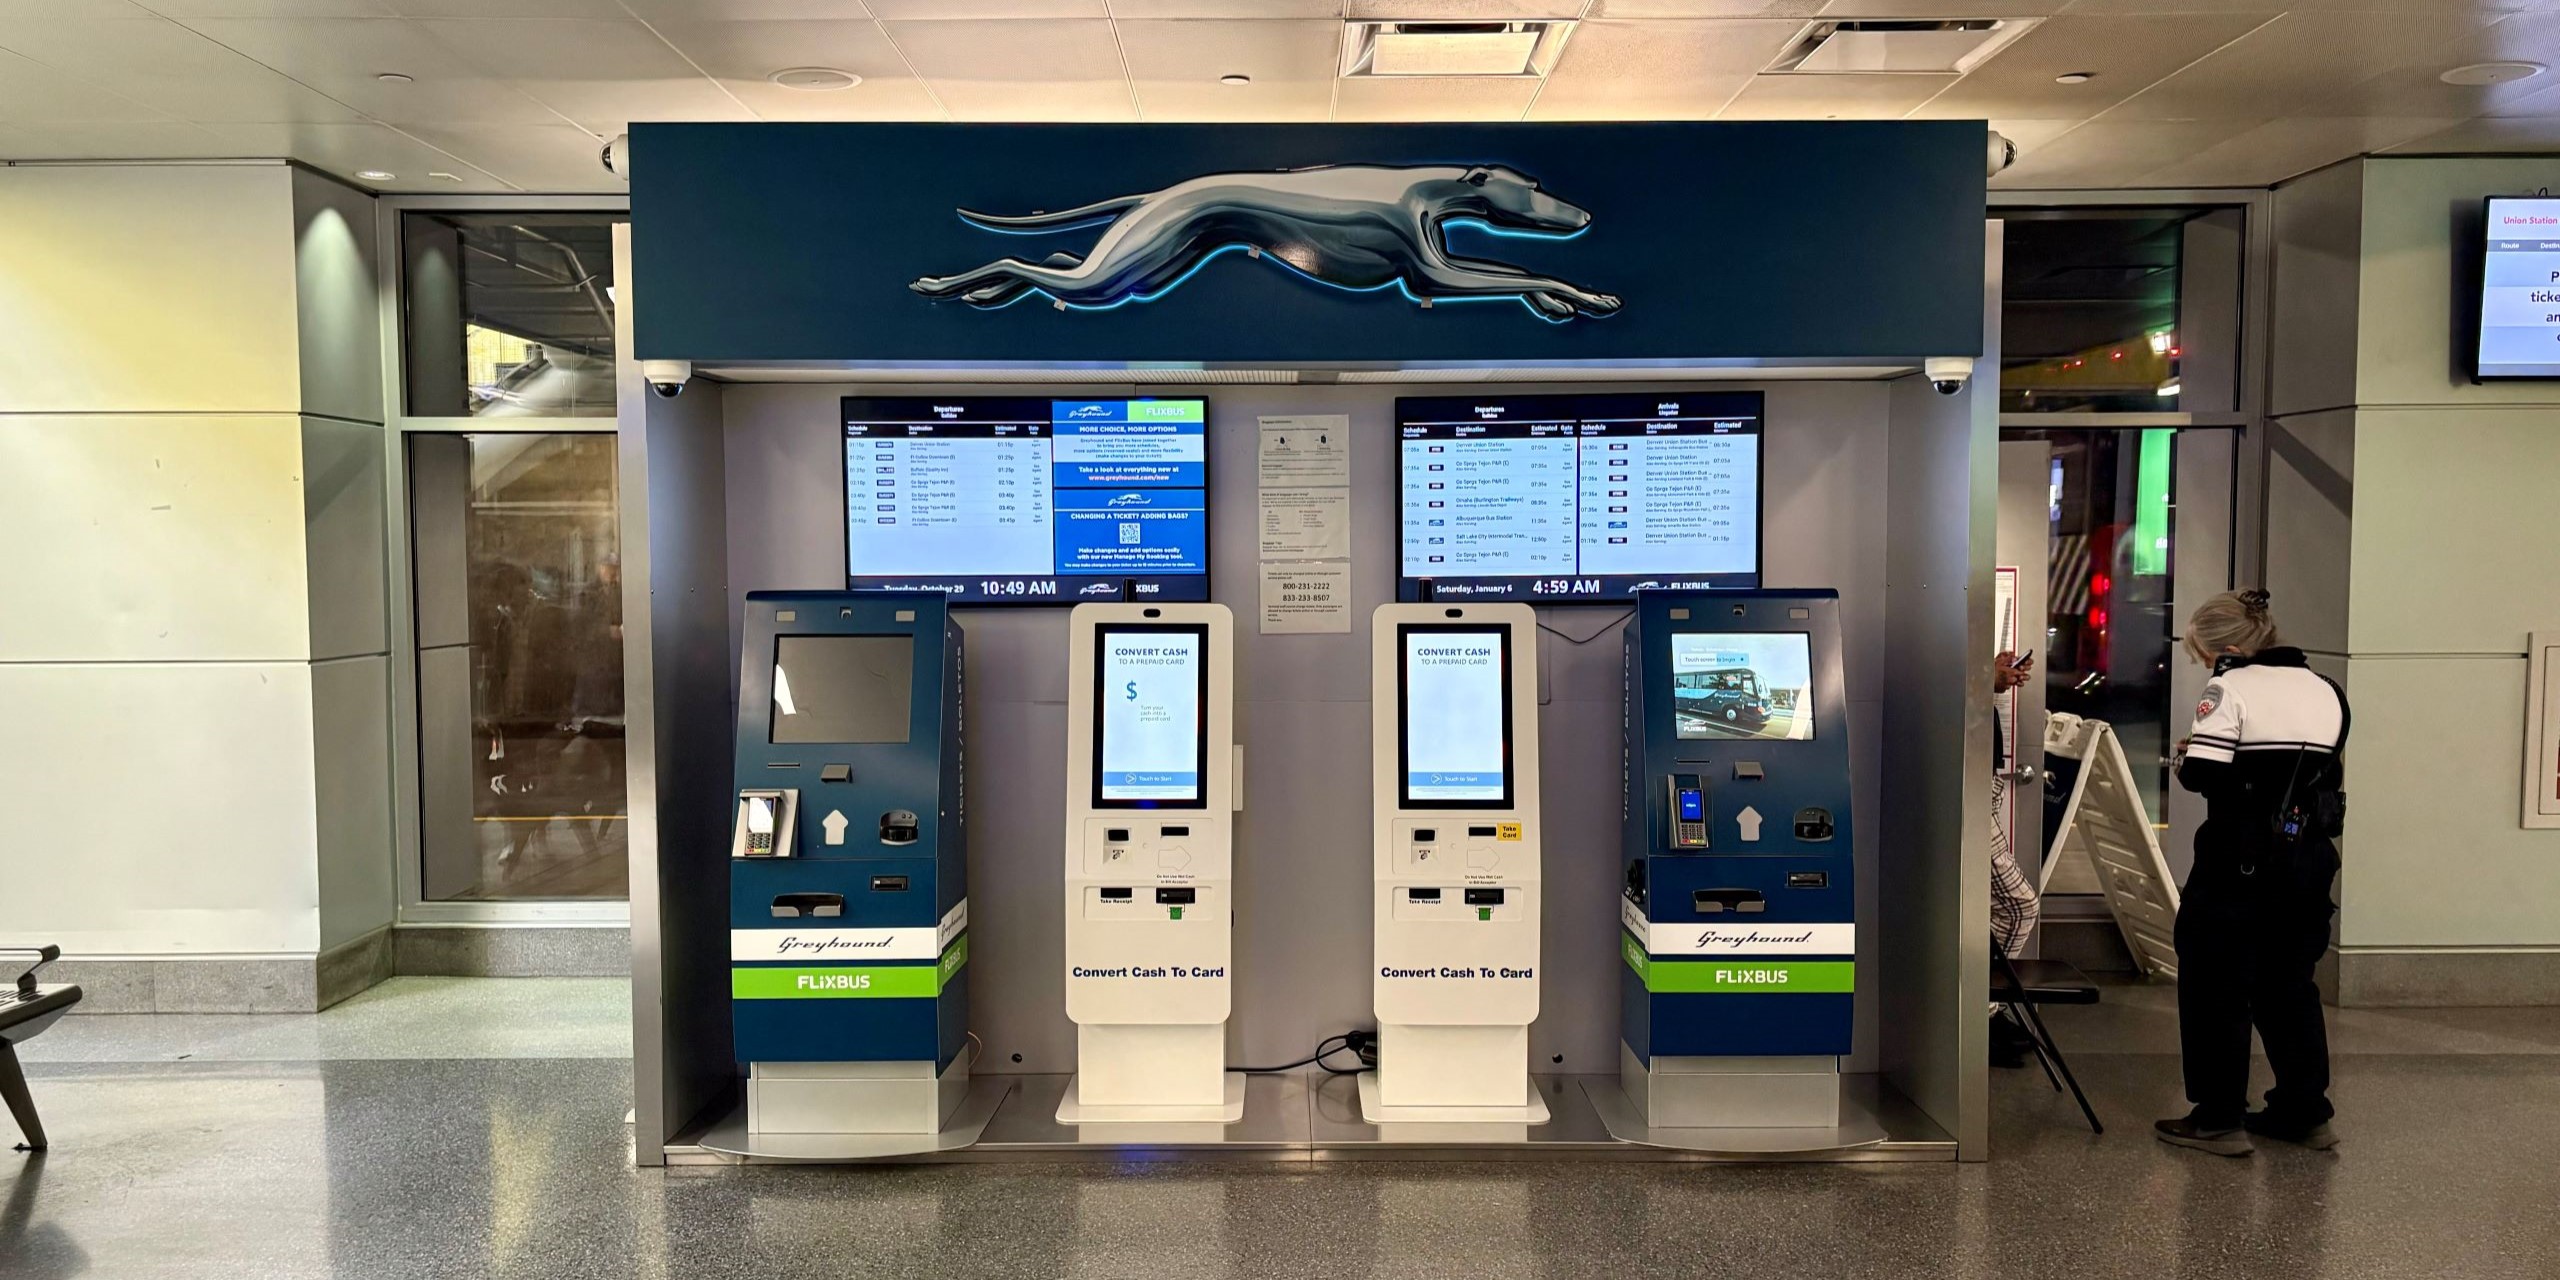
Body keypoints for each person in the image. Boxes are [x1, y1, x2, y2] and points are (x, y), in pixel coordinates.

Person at [2154, 589, 2349, 1156]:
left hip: (2238, 864)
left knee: (2215, 983)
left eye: (2206, 655)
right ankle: (2304, 1110)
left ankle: (2217, 1117)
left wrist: (2190, 752)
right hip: (2309, 861)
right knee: (2290, 984)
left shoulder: (2229, 689)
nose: (2209, 667)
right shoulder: (2328, 690)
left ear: (2232, 648)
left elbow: (2206, 777)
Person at [1989, 649, 2043, 1068]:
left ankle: (1980, 1007)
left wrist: (1991, 675)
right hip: (1967, 794)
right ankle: (1983, 1013)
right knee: (2020, 904)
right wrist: (1989, 678)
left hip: (1979, 787)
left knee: (1994, 910)